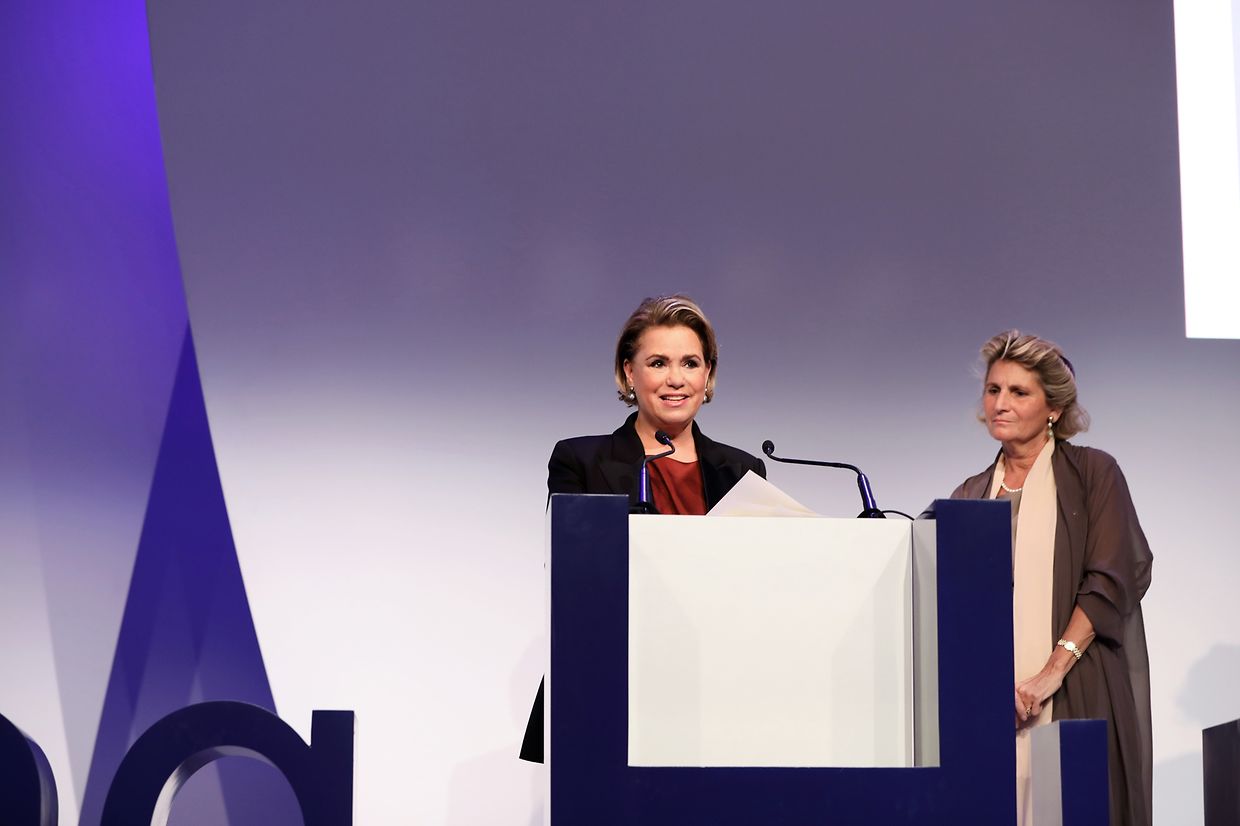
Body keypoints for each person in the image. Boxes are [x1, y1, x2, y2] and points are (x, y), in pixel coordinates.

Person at [519, 294, 767, 763]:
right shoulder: (581, 459)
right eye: (658, 363)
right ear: (629, 374)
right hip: (610, 679)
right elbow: (574, 572)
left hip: (715, 688)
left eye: (690, 363)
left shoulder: (741, 471)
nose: (676, 379)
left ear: (708, 376)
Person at [950, 331, 1152, 826]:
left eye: (1019, 392)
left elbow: (1112, 578)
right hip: (992, 706)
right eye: (994, 390)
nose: (1000, 403)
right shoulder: (969, 495)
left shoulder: (1092, 473)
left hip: (1074, 684)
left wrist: (1050, 674)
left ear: (1054, 409)